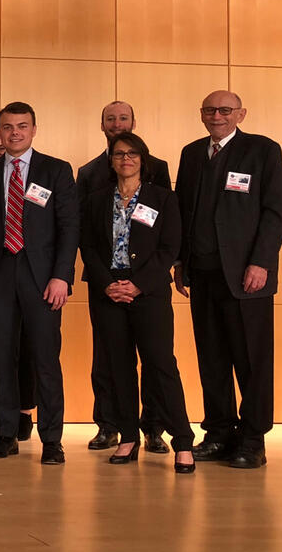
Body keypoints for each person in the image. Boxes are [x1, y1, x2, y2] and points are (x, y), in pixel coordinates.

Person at [175, 90, 282, 470]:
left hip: (246, 276)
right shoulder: (192, 153)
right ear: (201, 114)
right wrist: (180, 263)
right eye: (210, 110)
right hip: (203, 273)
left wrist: (261, 262)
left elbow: (275, 211)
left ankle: (252, 440)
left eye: (225, 110)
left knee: (252, 360)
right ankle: (219, 433)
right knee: (212, 359)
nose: (217, 116)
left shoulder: (263, 150)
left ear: (241, 114)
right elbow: (182, 210)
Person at [0, 102, 78, 465]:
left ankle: (52, 440)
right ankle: (7, 433)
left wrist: (62, 276)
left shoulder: (56, 170)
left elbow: (69, 228)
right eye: (8, 127)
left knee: (45, 359)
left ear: (33, 129)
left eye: (22, 126)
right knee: (1, 358)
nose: (15, 133)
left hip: (42, 277)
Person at [80, 132, 195, 473]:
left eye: (132, 154)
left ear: (143, 159)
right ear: (111, 160)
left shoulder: (163, 198)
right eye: (119, 154)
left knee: (160, 365)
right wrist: (108, 284)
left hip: (149, 292)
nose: (125, 159)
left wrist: (138, 285)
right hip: (108, 292)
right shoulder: (97, 199)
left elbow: (170, 247)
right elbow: (88, 247)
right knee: (118, 367)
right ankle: (128, 436)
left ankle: (183, 441)